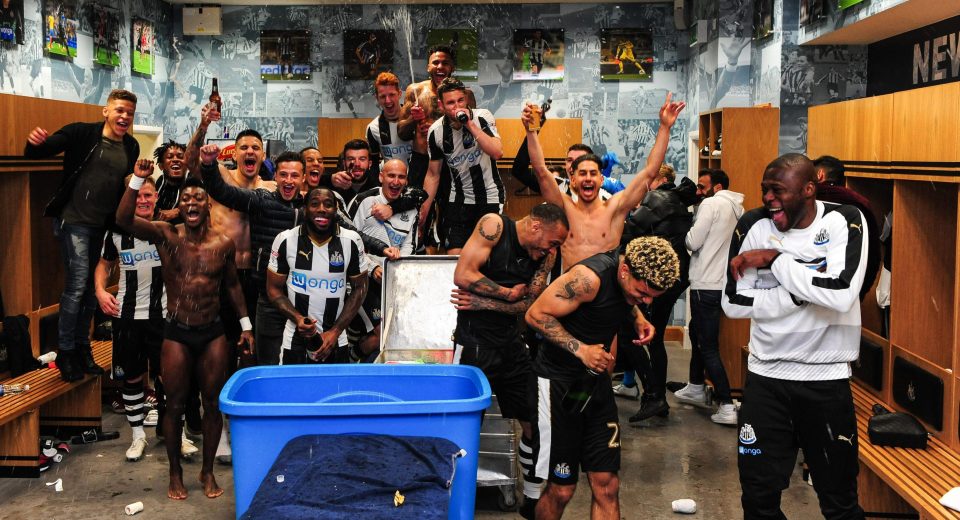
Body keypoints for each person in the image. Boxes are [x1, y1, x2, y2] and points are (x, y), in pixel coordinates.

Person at [722, 153, 867, 519]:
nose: (768, 198)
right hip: (766, 378)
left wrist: (775, 261)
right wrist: (801, 295)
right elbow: (734, 301)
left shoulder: (844, 221)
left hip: (825, 379)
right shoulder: (753, 224)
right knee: (757, 496)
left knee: (839, 499)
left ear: (807, 189)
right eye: (764, 190)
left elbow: (840, 293)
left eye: (777, 190)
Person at [116, 158, 254, 501]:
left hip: (213, 333)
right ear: (179, 207)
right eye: (186, 200)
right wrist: (137, 180)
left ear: (208, 206)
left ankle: (206, 471)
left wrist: (246, 325)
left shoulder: (223, 243)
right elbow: (121, 219)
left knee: (212, 403)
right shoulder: (166, 235)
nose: (192, 204)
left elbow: (233, 286)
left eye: (198, 200)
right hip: (177, 332)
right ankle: (175, 472)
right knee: (174, 405)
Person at [525, 237, 681, 519]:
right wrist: (581, 349)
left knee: (607, 486)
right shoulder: (588, 278)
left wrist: (637, 318)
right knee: (562, 488)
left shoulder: (628, 283)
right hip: (557, 384)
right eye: (641, 293)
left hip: (595, 385)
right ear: (625, 271)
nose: (645, 301)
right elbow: (536, 314)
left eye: (650, 298)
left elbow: (623, 297)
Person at [450, 203, 568, 518]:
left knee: (533, 420)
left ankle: (530, 498)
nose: (552, 249)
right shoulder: (494, 226)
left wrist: (482, 301)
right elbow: (462, 274)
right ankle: (453, 494)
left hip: (513, 344)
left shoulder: (548, 255)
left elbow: (531, 305)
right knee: (460, 421)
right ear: (535, 226)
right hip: (474, 342)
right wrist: (504, 293)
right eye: (552, 241)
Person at [23, 88, 140, 382]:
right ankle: (65, 352)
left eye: (129, 113)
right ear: (106, 111)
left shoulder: (132, 146)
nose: (124, 117)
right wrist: (35, 142)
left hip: (102, 227)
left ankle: (81, 348)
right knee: (76, 286)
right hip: (74, 221)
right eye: (119, 110)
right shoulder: (82, 133)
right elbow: (41, 150)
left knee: (90, 289)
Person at [94, 175, 198, 462]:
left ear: (156, 199)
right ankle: (138, 436)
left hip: (164, 317)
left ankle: (178, 434)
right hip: (128, 316)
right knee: (132, 377)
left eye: (148, 195)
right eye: (137, 195)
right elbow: (104, 265)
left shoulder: (167, 232)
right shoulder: (115, 233)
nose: (143, 200)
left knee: (171, 378)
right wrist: (100, 291)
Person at [524, 93, 686, 270]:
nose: (588, 178)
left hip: (606, 294)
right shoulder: (564, 207)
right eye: (583, 173)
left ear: (601, 179)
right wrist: (531, 130)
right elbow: (540, 170)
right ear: (573, 179)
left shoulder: (615, 209)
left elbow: (650, 172)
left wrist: (664, 127)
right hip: (571, 291)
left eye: (593, 173)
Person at [617, 165, 696, 422]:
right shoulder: (677, 199)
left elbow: (629, 230)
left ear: (660, 179)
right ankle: (653, 395)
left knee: (635, 334)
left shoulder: (657, 197)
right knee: (655, 337)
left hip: (657, 279)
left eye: (650, 178)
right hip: (674, 277)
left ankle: (654, 396)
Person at [671, 169, 744, 424]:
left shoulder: (711, 204)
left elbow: (693, 241)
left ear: (717, 187)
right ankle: (695, 386)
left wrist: (682, 230)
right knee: (696, 333)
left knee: (708, 345)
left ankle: (726, 405)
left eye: (702, 187)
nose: (697, 192)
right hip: (722, 283)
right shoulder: (737, 208)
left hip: (705, 283)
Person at [266, 187, 369, 365]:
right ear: (305, 209)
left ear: (336, 210)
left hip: (337, 338)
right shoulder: (285, 240)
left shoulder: (351, 241)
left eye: (328, 205)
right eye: (314, 204)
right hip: (295, 339)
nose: (321, 209)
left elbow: (361, 287)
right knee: (295, 392)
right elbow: (273, 288)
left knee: (337, 391)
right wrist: (298, 318)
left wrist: (335, 331)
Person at [346, 159, 424, 360]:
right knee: (383, 332)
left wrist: (397, 270)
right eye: (391, 175)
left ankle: (356, 357)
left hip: (393, 282)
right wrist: (372, 268)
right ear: (381, 176)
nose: (396, 181)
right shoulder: (363, 200)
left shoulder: (412, 209)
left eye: (401, 177)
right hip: (362, 280)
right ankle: (351, 359)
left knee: (392, 332)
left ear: (406, 180)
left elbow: (409, 247)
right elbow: (349, 241)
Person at [422, 77, 504, 254]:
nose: (457, 106)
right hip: (459, 199)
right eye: (451, 103)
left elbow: (497, 152)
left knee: (487, 255)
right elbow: (433, 175)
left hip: (489, 196)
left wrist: (470, 124)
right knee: (454, 256)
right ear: (441, 105)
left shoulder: (482, 117)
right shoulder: (436, 132)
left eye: (460, 100)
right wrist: (423, 213)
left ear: (466, 99)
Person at [813, 155, 880, 301]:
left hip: (809, 291)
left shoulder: (807, 199)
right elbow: (873, 253)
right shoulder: (860, 204)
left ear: (819, 175)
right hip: (851, 289)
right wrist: (861, 291)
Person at [366, 72, 412, 171]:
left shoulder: (414, 119)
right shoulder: (373, 128)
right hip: (392, 183)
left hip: (417, 181)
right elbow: (373, 165)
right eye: (383, 96)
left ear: (399, 94)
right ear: (377, 98)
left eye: (391, 95)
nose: (388, 101)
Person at [153, 140, 188, 221]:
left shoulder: (194, 185)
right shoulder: (156, 185)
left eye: (180, 156)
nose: (175, 160)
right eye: (170, 156)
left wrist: (178, 211)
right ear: (161, 166)